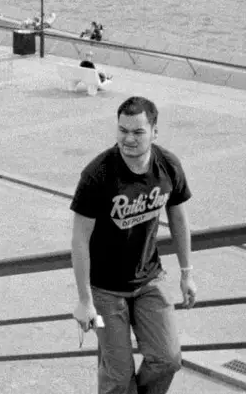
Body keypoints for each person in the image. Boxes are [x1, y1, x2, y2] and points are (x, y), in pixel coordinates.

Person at [71, 96, 196, 394]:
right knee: (118, 374)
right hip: (103, 291)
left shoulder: (167, 166)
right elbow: (79, 240)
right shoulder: (97, 175)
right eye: (122, 130)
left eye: (138, 132)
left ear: (154, 132)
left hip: (149, 280)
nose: (129, 139)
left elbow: (179, 220)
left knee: (168, 359)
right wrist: (85, 300)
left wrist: (186, 273)